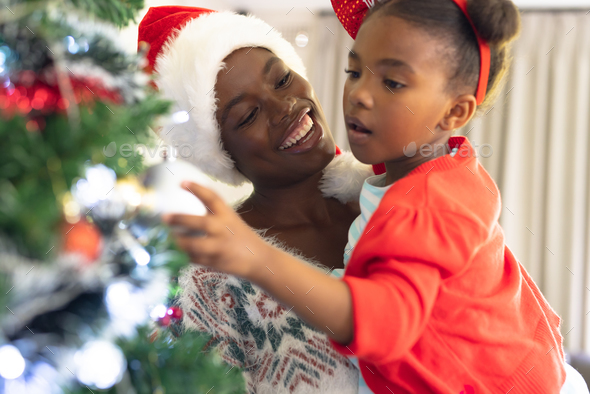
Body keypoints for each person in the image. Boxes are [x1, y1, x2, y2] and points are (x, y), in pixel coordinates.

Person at [162, 0, 590, 393]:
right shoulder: (417, 176)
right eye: (354, 72)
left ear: (455, 113)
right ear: (219, 151)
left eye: (393, 82)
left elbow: (383, 322)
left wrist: (257, 258)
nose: (359, 94)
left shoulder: (425, 203)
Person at [138, 6, 374, 393]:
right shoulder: (210, 278)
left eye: (281, 79)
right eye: (248, 116)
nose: (286, 107)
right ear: (221, 152)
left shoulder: (396, 196)